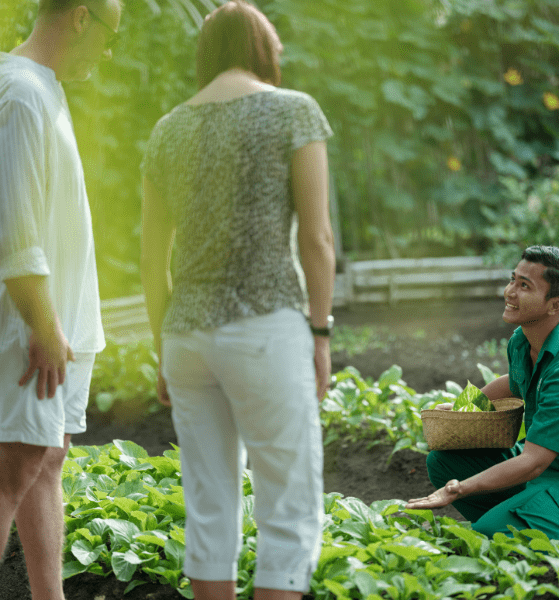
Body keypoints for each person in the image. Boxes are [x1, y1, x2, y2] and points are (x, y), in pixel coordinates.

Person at [139, 2, 335, 599]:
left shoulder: (167, 128)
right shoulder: (294, 111)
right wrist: (321, 333)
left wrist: (160, 346)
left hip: (186, 337)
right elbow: (317, 238)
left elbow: (152, 257)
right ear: (264, 49)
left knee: (209, 505)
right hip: (264, 328)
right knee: (288, 504)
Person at [0, 0, 120, 597]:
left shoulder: (44, 89)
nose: (108, 49)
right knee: (9, 470)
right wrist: (44, 328)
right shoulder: (19, 91)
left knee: (45, 463)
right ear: (79, 18)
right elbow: (15, 231)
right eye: (109, 34)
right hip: (29, 332)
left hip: (58, 330)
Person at [407, 245, 559, 547]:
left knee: (490, 536)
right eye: (513, 279)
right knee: (443, 462)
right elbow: (514, 383)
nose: (510, 291)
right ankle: (552, 525)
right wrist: (466, 407)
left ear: (554, 305)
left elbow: (533, 462)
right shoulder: (523, 340)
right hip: (543, 469)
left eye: (524, 286)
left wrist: (458, 489)